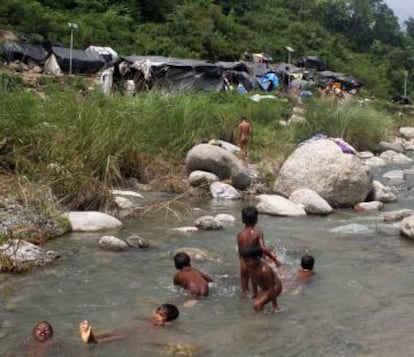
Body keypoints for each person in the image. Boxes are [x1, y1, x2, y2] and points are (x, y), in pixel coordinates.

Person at [79, 303, 180, 344]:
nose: (157, 316)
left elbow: (167, 330)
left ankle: (95, 341)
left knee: (120, 336)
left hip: (136, 336)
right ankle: (92, 335)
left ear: (168, 320)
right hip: (133, 330)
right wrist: (137, 317)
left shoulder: (163, 324)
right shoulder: (153, 319)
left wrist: (164, 324)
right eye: (157, 313)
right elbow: (144, 318)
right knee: (114, 332)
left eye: (161, 315)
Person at [237, 206, 282, 296]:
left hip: (244, 264)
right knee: (260, 288)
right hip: (254, 264)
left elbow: (240, 252)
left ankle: (244, 307)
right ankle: (258, 301)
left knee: (245, 291)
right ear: (256, 219)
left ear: (242, 220)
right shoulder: (258, 233)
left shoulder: (240, 234)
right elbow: (263, 249)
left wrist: (243, 262)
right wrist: (275, 260)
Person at [240, 246, 283, 312]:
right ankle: (263, 314)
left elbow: (270, 288)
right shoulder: (251, 267)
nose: (245, 263)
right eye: (244, 261)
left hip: (275, 287)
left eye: (247, 261)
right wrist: (255, 293)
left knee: (257, 305)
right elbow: (253, 279)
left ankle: (261, 320)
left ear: (257, 259)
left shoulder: (265, 270)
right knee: (256, 302)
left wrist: (275, 306)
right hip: (264, 287)